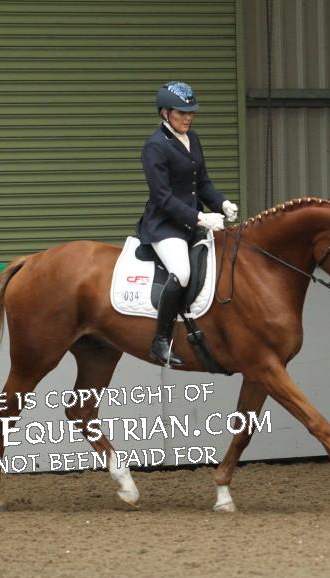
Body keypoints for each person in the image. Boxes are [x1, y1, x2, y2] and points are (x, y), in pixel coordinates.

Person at [137, 81, 238, 367]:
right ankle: (160, 341)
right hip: (165, 225)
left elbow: (202, 183)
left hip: (192, 224)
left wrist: (222, 203)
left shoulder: (192, 138)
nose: (188, 118)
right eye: (182, 113)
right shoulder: (155, 146)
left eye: (191, 112)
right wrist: (199, 217)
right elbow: (163, 197)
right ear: (165, 113)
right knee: (181, 272)